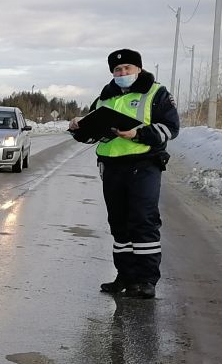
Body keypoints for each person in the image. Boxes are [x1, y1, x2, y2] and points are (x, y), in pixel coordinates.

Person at [69, 48, 180, 299]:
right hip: (111, 167)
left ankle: (146, 280)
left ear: (138, 69)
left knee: (143, 220)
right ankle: (125, 275)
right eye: (117, 70)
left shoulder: (156, 93)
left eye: (127, 68)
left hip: (144, 164)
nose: (122, 73)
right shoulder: (105, 97)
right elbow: (91, 134)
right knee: (118, 224)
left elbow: (170, 128)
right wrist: (77, 127)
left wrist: (137, 134)